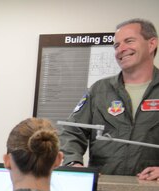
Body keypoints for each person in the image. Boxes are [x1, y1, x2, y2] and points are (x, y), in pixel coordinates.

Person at [59, 18, 159, 179]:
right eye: (117, 45)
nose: (121, 49)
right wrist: (73, 163)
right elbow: (71, 130)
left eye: (129, 41)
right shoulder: (99, 90)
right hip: (105, 190)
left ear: (152, 44)